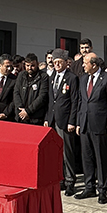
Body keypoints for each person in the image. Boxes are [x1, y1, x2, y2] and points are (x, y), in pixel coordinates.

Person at [72, 53, 107, 203]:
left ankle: (102, 190)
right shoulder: (83, 79)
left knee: (100, 158)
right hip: (84, 123)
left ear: (94, 65)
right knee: (87, 157)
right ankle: (89, 187)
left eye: (85, 63)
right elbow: (80, 101)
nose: (83, 65)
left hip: (100, 124)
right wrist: (78, 122)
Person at [44, 49, 78, 195]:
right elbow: (50, 101)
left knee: (67, 152)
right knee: (56, 152)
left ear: (66, 62)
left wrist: (72, 121)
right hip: (52, 119)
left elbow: (75, 101)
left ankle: (70, 181)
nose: (56, 64)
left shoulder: (72, 78)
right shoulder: (51, 77)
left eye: (59, 62)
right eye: (55, 62)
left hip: (65, 120)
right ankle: (61, 179)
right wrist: (47, 118)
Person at [13, 53, 49, 126]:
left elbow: (42, 96)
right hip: (20, 116)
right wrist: (21, 109)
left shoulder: (43, 77)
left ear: (37, 64)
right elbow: (16, 92)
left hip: (35, 117)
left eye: (32, 65)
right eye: (27, 65)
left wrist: (28, 111)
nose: (29, 68)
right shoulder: (21, 75)